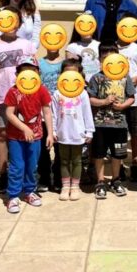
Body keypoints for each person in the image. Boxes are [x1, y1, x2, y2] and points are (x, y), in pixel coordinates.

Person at [0, 6, 38, 193]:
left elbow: (34, 69)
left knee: (25, 133)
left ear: (19, 23)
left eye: (14, 20)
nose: (10, 24)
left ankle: (26, 173)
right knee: (2, 134)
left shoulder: (27, 44)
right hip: (1, 96)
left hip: (24, 97)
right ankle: (3, 173)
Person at [3, 56, 54, 214]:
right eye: (24, 72)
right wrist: (24, 128)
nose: (28, 75)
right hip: (15, 138)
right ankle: (13, 195)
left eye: (32, 71)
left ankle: (29, 191)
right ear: (17, 75)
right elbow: (9, 114)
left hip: (36, 136)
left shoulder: (41, 90)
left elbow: (47, 112)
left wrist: (50, 134)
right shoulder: (13, 91)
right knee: (17, 166)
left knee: (32, 165)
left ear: (38, 73)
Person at [87, 44, 135, 199]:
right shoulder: (96, 78)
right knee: (99, 153)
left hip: (119, 124)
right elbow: (90, 99)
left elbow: (131, 97)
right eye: (105, 59)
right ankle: (100, 181)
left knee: (118, 154)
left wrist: (122, 106)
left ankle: (115, 180)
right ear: (100, 61)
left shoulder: (125, 77)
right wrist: (104, 101)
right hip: (99, 124)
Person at [51, 59, 95, 201]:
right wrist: (53, 131)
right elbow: (53, 114)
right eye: (66, 73)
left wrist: (89, 131)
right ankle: (65, 186)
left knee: (77, 160)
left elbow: (87, 113)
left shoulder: (83, 94)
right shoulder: (57, 93)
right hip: (62, 133)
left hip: (78, 133)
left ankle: (75, 186)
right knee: (63, 161)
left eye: (74, 73)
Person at [117, 14, 137, 182]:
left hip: (136, 96)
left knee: (136, 132)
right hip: (117, 96)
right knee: (120, 132)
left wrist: (136, 79)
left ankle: (135, 162)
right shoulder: (113, 48)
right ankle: (120, 163)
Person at [38, 35, 64, 192]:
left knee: (60, 147)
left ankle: (59, 177)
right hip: (44, 111)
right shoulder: (39, 64)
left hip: (62, 112)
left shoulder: (65, 64)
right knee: (43, 147)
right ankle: (44, 177)